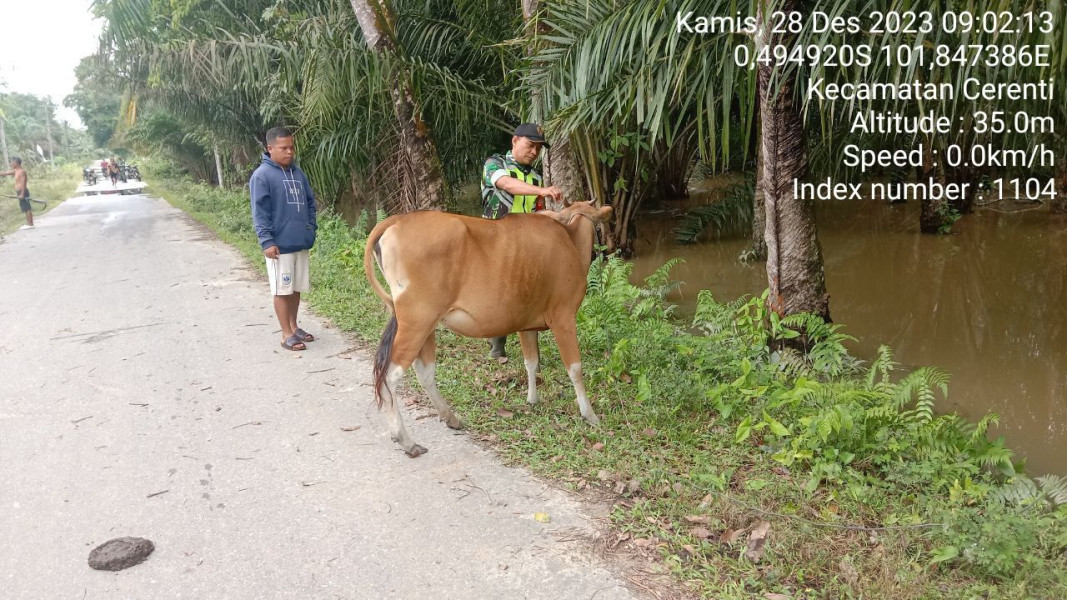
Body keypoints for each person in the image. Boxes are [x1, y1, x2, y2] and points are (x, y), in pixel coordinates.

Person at [480, 123, 564, 360]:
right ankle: (497, 341)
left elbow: (538, 213)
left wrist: (562, 220)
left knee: (529, 292)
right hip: (495, 239)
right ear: (515, 141)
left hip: (527, 243)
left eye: (538, 148)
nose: (534, 152)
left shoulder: (536, 178)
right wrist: (542, 191)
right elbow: (506, 184)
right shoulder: (494, 164)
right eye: (530, 145)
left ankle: (531, 344)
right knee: (499, 290)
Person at [250, 126, 318, 351]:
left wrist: (311, 229)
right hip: (279, 247)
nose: (290, 152)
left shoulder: (298, 174)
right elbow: (260, 211)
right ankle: (285, 334)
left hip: (300, 242)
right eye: (284, 148)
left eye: (292, 147)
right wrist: (266, 241)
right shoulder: (262, 176)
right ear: (270, 149)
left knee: (295, 288)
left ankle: (294, 326)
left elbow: (310, 203)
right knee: (282, 290)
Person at [0, 157, 33, 229]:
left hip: (23, 191)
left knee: (27, 207)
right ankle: (29, 223)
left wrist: (22, 193)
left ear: (16, 163)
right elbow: (5, 173)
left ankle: (30, 224)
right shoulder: (16, 171)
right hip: (20, 191)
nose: (11, 164)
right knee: (25, 207)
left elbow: (23, 182)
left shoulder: (22, 171)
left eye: (12, 162)